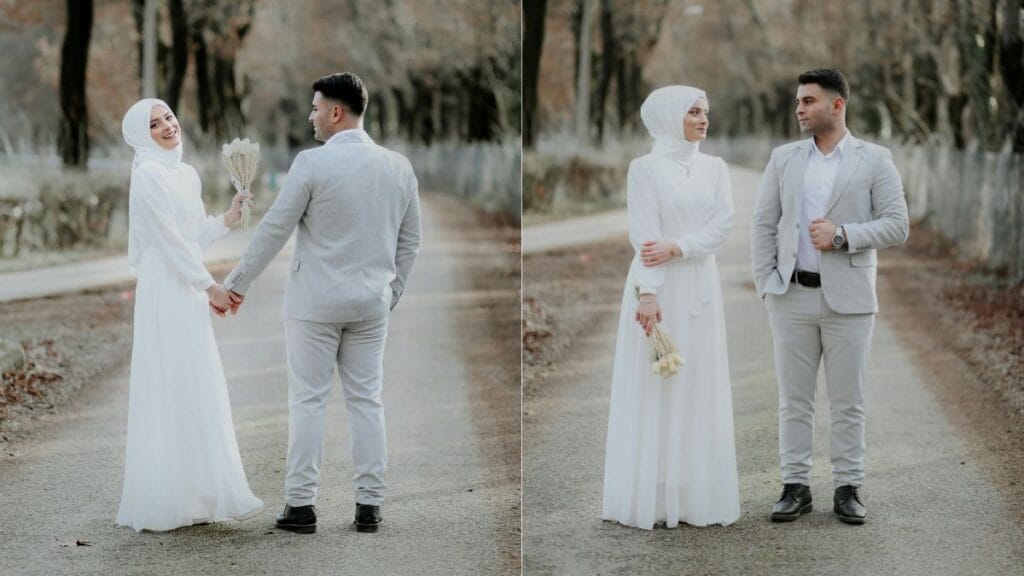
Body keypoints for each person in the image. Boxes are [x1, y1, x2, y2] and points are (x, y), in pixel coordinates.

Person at [222, 72, 421, 534]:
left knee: (308, 401)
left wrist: (236, 284)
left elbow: (274, 229)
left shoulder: (311, 165)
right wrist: (393, 291)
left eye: (315, 108)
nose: (310, 116)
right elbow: (411, 241)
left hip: (313, 304)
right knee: (367, 401)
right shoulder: (398, 166)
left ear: (336, 112)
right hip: (371, 304)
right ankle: (369, 506)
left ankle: (301, 506)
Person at [750, 68, 909, 525]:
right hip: (791, 296)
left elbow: (897, 224)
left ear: (837, 105)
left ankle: (848, 487)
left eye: (808, 101)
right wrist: (766, 282)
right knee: (793, 399)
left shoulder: (876, 159)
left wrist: (842, 236)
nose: (799, 109)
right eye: (799, 101)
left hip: (851, 300)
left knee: (849, 399)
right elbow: (763, 223)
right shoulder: (783, 158)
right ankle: (794, 486)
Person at [116, 98, 263, 532]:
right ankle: (167, 497)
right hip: (167, 288)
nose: (167, 126)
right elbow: (168, 244)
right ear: (142, 135)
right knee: (169, 379)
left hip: (189, 284)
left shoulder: (186, 173)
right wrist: (212, 287)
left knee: (196, 379)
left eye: (169, 117)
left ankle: (199, 491)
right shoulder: (147, 176)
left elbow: (194, 236)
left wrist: (228, 219)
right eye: (155, 123)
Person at [602, 85, 740, 530]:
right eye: (693, 112)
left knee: (696, 381)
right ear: (667, 117)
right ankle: (654, 494)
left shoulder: (715, 168)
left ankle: (693, 493)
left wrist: (680, 246)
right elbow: (643, 232)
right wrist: (648, 292)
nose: (703, 119)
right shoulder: (644, 169)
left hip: (699, 283)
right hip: (655, 288)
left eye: (705, 111)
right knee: (657, 382)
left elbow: (722, 227)